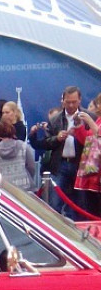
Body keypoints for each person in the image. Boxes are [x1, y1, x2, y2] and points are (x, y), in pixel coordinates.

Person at [27, 86, 89, 219]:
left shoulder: (88, 117)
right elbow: (46, 142)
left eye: (74, 102)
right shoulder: (55, 119)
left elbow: (93, 141)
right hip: (60, 164)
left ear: (80, 100)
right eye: (68, 102)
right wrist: (57, 138)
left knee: (81, 203)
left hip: (81, 165)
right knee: (55, 203)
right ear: (62, 101)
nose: (71, 105)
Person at [73, 93, 101, 216]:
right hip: (91, 172)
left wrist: (89, 121)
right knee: (91, 208)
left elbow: (99, 136)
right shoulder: (99, 120)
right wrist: (79, 126)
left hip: (98, 174)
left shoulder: (95, 121)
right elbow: (88, 140)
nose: (98, 105)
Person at [0, 119, 35, 190]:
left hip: (5, 188)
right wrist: (28, 177)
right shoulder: (23, 146)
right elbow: (31, 167)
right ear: (13, 131)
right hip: (24, 186)